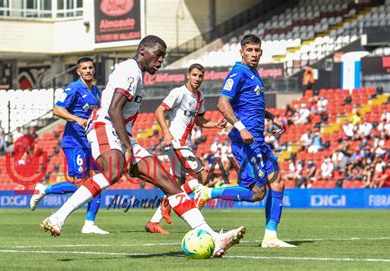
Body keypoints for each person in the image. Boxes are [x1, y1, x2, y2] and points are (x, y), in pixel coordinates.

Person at [40, 35, 245, 257]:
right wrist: (128, 148)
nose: (160, 62)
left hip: (121, 132)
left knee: (168, 182)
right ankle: (57, 217)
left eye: (163, 58)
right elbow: (113, 110)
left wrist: (128, 144)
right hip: (104, 125)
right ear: (143, 51)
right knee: (114, 170)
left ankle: (211, 235)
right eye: (158, 56)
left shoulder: (136, 73)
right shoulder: (130, 70)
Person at [196, 34, 295, 248]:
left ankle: (270, 237)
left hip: (258, 141)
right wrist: (241, 128)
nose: (253, 54)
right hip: (247, 143)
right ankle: (208, 192)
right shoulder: (238, 72)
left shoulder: (254, 74)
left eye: (257, 50)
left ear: (261, 52)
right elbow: (222, 103)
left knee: (278, 183)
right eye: (249, 50)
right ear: (241, 51)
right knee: (257, 193)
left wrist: (270, 116)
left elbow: (250, 105)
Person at [145, 63, 227, 234]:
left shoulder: (200, 97)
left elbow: (199, 121)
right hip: (176, 143)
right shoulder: (178, 93)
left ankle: (154, 221)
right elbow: (159, 111)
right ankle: (185, 213)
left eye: (200, 76)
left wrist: (215, 124)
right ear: (188, 75)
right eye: (195, 75)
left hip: (185, 145)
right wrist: (166, 133)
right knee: (202, 175)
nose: (197, 79)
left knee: (176, 186)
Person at [30, 57, 108, 234]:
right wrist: (76, 119)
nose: (88, 70)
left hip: (90, 142)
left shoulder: (96, 91)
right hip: (74, 143)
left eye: (90, 67)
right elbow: (57, 109)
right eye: (84, 68)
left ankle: (89, 224)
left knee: (99, 180)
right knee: (82, 185)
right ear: (78, 71)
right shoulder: (74, 88)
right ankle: (45, 189)